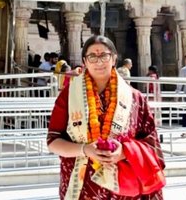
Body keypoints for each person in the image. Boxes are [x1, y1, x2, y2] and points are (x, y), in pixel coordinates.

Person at [47, 35, 165, 199]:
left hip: (124, 187)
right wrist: (85, 150)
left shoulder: (135, 98)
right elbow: (53, 142)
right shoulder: (68, 96)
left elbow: (151, 143)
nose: (99, 62)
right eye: (92, 56)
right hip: (81, 187)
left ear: (114, 59)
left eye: (104, 55)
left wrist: (124, 152)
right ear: (85, 61)